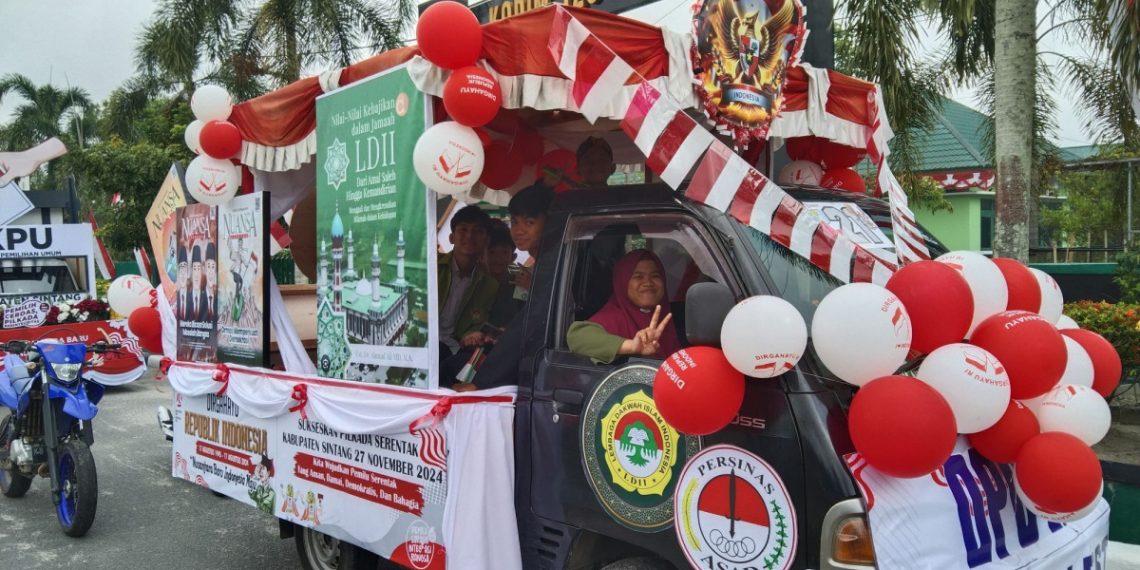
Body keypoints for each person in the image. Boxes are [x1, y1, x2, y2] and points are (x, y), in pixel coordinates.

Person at [456, 184, 555, 391]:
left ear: (550, 222)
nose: (519, 231)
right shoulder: (543, 262)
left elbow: (527, 326)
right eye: (515, 222)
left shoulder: (550, 266)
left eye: (529, 222)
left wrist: (479, 384)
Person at [567, 249, 681, 364]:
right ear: (622, 282)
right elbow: (577, 337)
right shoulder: (611, 318)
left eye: (655, 276)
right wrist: (631, 346)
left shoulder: (675, 319)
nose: (648, 283)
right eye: (638, 276)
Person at [438, 206, 499, 360]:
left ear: (486, 241)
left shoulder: (489, 285)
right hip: (423, 342)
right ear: (452, 237)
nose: (470, 236)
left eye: (478, 231)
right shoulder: (433, 267)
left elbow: (477, 323)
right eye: (463, 229)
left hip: (455, 349)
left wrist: (471, 335)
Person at [198, 243, 217, 322]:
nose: (210, 271)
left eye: (213, 267)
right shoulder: (199, 297)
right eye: (208, 266)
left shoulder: (219, 297)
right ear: (205, 269)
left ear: (215, 270)